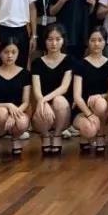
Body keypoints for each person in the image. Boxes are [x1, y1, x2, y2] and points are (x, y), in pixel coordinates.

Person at [0, 39, 32, 159]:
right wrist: (8, 105)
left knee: (22, 121)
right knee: (1, 112)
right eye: (6, 52)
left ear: (18, 53)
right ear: (0, 53)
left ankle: (16, 138)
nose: (10, 56)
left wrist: (13, 115)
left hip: (17, 112)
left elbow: (26, 102)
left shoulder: (25, 74)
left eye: (13, 52)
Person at [31, 24, 73, 155]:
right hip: (43, 107)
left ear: (63, 40)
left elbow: (64, 87)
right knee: (42, 106)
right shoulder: (37, 63)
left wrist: (44, 99)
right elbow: (36, 90)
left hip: (62, 108)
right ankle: (45, 136)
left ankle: (57, 135)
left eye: (58, 39)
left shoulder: (69, 60)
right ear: (44, 41)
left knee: (59, 100)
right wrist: (43, 102)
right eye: (50, 39)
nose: (54, 43)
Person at [72, 27, 108, 154]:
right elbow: (77, 96)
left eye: (100, 40)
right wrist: (89, 115)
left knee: (100, 103)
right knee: (89, 130)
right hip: (82, 108)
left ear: (105, 42)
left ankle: (101, 134)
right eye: (93, 40)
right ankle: (85, 135)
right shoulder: (80, 64)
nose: (96, 44)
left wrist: (101, 96)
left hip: (102, 106)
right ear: (88, 42)